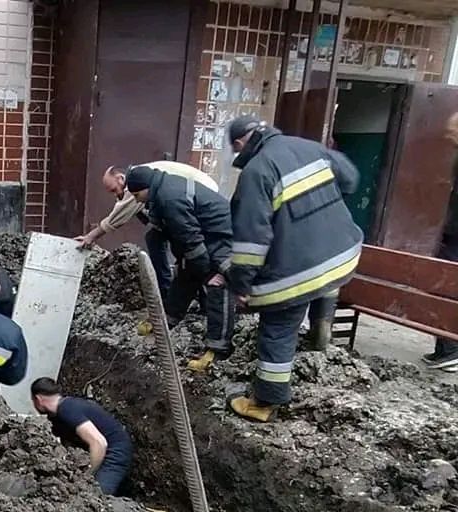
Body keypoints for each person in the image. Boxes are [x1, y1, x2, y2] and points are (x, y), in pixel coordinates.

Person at [226, 115, 362, 422]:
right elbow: (351, 179)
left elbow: (251, 239)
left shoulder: (256, 171)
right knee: (324, 281)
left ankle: (264, 403)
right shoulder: (310, 147)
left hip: (300, 270)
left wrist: (241, 284)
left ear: (239, 144)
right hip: (340, 255)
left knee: (277, 329)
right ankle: (319, 329)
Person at [124, 164, 236, 371]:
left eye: (137, 194)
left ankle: (218, 349)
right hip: (205, 234)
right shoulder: (161, 190)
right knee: (185, 272)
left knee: (218, 285)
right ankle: (168, 319)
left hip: (222, 235)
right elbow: (165, 231)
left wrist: (209, 272)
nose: (136, 199)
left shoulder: (169, 197)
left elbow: (190, 238)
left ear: (147, 187)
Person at [74, 161, 221, 299]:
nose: (115, 195)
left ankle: (176, 290)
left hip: (198, 197)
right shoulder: (140, 176)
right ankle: (172, 288)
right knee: (156, 237)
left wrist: (91, 236)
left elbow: (118, 217)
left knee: (185, 246)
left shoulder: (135, 184)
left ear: (121, 178)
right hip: (192, 195)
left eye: (114, 189)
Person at [30, 377, 133, 495]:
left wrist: (86, 477)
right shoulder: (56, 417)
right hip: (101, 450)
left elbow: (99, 443)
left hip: (114, 452)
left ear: (38, 399)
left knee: (95, 496)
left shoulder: (67, 409)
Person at [422, 112, 458, 372]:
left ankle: (450, 349)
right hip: (452, 235)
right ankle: (445, 348)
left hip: (456, 238)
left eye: (452, 130)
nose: (447, 135)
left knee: (446, 289)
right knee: (443, 288)